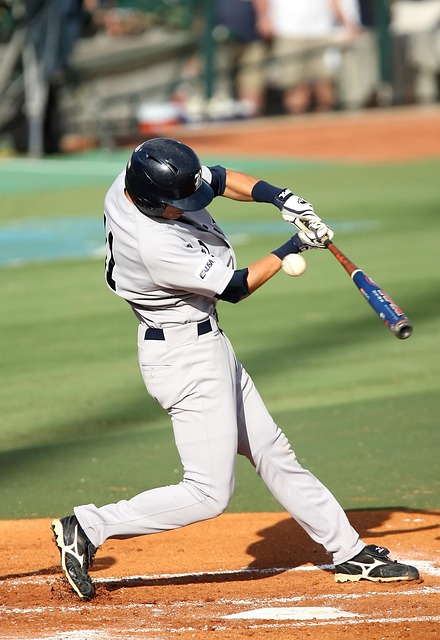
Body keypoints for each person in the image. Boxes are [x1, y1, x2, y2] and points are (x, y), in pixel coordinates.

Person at [51, 138, 420, 601]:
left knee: (272, 452)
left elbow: (221, 179)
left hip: (205, 346)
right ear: (151, 202)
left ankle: (348, 551)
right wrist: (295, 244)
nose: (188, 204)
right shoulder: (154, 245)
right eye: (178, 203)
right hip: (184, 358)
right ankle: (88, 526)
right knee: (207, 493)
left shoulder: (138, 179)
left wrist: (283, 198)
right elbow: (236, 286)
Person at [261, 0, 362, 114]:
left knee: (326, 83)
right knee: (295, 87)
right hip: (288, 30)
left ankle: (325, 122)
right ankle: (297, 123)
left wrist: (347, 23)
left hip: (323, 30)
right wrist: (264, 16)